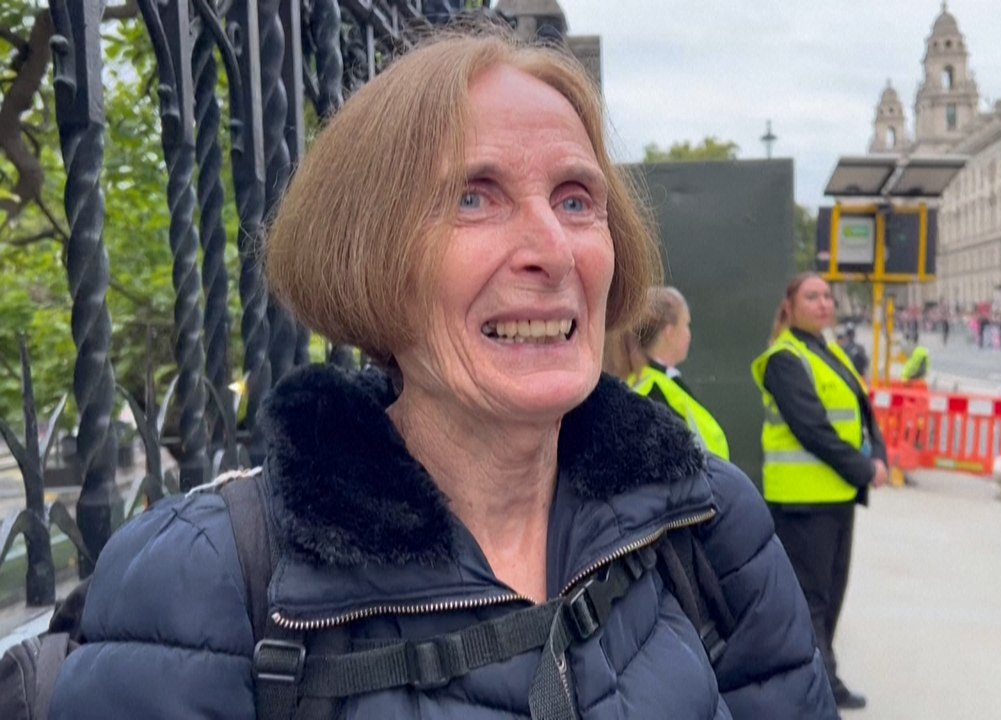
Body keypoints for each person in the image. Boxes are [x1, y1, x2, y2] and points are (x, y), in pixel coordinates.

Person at [51, 28, 836, 719]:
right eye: (473, 197)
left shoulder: (705, 521)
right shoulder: (205, 581)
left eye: (575, 201)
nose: (553, 251)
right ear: (369, 256)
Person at [751, 272, 889, 712]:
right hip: (803, 501)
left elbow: (862, 411)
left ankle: (825, 678)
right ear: (790, 307)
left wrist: (879, 454)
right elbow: (812, 429)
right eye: (812, 296)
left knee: (829, 597)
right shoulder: (784, 358)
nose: (824, 303)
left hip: (835, 496)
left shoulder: (828, 352)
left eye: (828, 296)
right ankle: (819, 688)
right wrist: (864, 468)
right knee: (810, 600)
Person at [604, 286, 730, 460]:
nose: (689, 335)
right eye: (686, 325)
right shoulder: (654, 391)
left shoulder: (649, 382)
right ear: (669, 331)